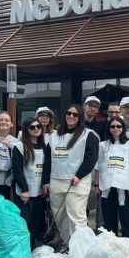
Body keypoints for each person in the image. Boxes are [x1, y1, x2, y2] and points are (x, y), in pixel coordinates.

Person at [45, 104, 99, 247]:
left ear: (80, 117)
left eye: (75, 115)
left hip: (76, 181)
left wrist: (79, 175)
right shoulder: (54, 136)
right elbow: (48, 160)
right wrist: (45, 181)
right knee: (60, 216)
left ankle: (81, 247)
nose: (71, 116)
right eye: (69, 113)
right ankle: (68, 243)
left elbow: (91, 158)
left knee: (76, 216)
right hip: (56, 180)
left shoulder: (88, 135)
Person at [95, 116, 129, 240]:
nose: (115, 128)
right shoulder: (102, 146)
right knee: (109, 219)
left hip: (126, 188)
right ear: (108, 128)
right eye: (112, 126)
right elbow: (98, 167)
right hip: (107, 187)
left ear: (123, 128)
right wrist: (96, 185)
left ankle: (128, 244)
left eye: (118, 126)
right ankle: (112, 245)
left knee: (127, 219)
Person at [12, 118, 50, 249]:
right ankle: (23, 247)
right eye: (32, 127)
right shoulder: (19, 146)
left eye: (38, 126)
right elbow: (17, 170)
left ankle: (34, 247)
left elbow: (47, 167)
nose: (36, 129)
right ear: (26, 130)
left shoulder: (45, 146)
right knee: (25, 220)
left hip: (39, 190)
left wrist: (46, 183)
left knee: (37, 220)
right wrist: (24, 189)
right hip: (24, 191)